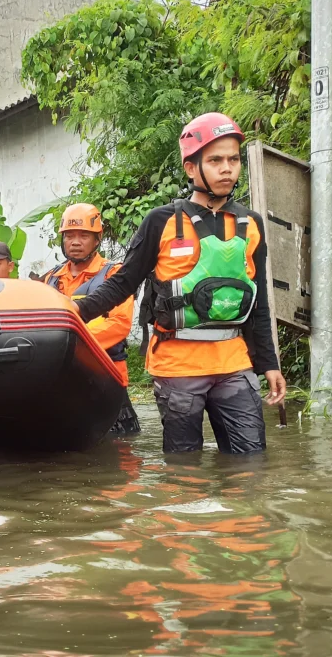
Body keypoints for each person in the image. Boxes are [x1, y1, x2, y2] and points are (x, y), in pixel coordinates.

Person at [75, 113, 287, 454]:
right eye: (215, 160)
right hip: (177, 366)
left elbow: (259, 304)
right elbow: (123, 284)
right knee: (184, 474)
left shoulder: (251, 224)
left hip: (234, 363)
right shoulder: (161, 221)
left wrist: (269, 364)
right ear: (191, 168)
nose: (227, 168)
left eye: (233, 159)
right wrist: (75, 311)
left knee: (251, 467)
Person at [45, 203, 141, 437]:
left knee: (120, 445)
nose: (75, 242)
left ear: (97, 240)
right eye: (69, 236)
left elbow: (119, 324)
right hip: (66, 378)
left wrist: (73, 344)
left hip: (106, 373)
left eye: (83, 236)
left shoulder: (114, 275)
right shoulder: (51, 278)